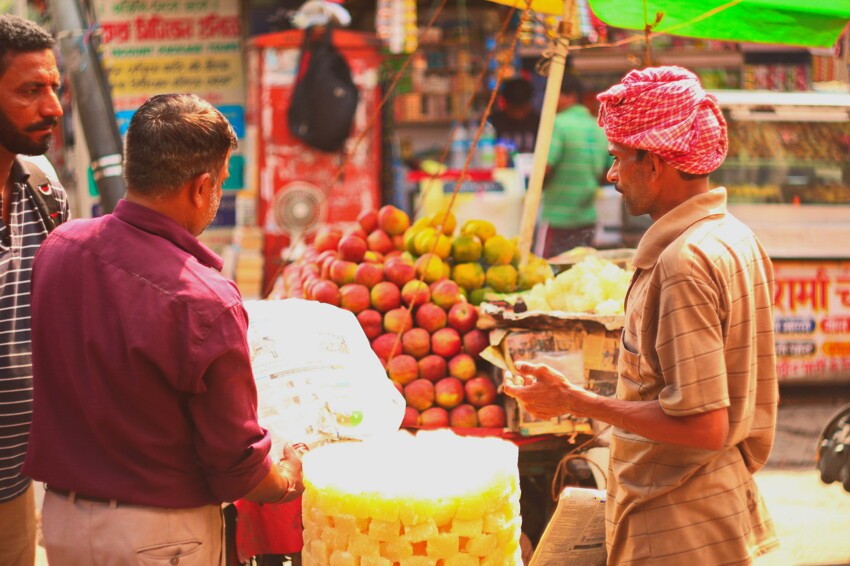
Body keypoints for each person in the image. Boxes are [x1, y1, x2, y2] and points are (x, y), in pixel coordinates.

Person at [505, 66, 779, 564]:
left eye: (617, 159)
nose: (611, 175)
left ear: (652, 162)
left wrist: (578, 400)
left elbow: (704, 426)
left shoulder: (683, 263)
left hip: (676, 522)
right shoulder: (735, 236)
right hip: (712, 504)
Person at [23, 94, 303, 565]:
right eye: (220, 184)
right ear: (201, 188)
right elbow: (237, 465)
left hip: (64, 522)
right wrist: (287, 480)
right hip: (158, 535)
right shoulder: (205, 301)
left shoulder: (59, 249)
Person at [0, 14, 69, 566]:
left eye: (54, 88)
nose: (54, 107)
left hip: (15, 483)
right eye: (31, 91)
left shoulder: (43, 188)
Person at [537, 73, 609, 258]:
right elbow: (608, 172)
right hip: (587, 217)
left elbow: (544, 168)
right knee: (581, 273)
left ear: (569, 96)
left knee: (549, 274)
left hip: (557, 218)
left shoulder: (558, 124)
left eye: (553, 94)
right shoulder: (598, 127)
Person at [487, 77, 540, 154]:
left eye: (521, 107)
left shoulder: (539, 123)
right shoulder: (493, 123)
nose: (518, 113)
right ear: (506, 105)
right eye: (514, 108)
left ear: (528, 105)